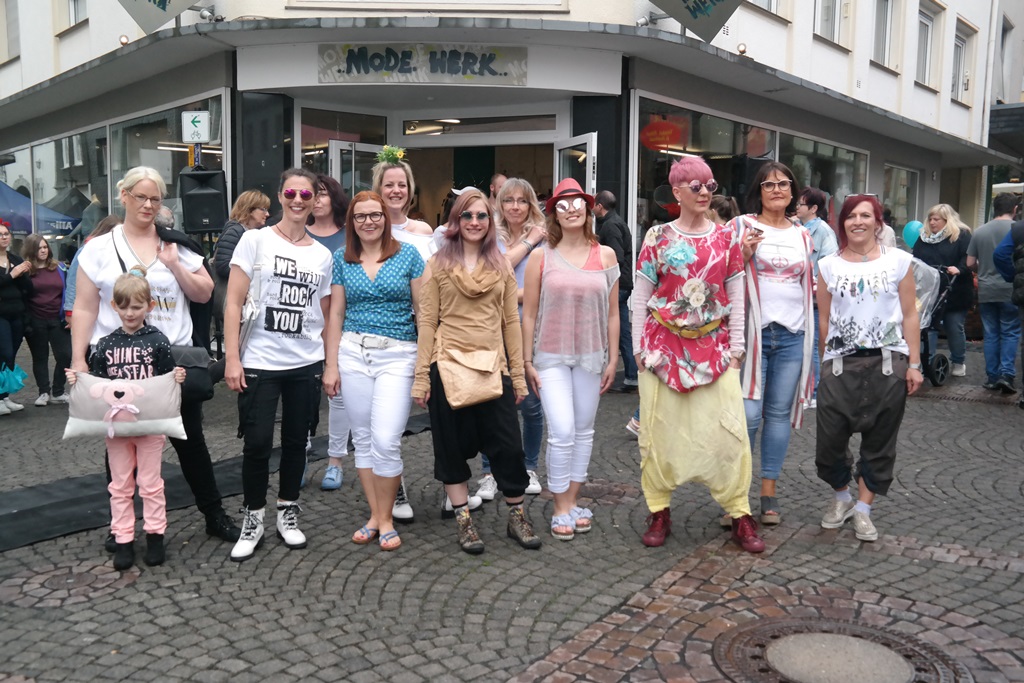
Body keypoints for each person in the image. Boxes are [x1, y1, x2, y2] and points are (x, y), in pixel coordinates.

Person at [71, 166, 241, 547]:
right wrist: (80, 359)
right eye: (141, 197)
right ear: (124, 196)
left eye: (155, 198)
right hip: (118, 364)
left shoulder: (174, 245)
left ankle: (214, 514)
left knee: (190, 441)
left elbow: (204, 293)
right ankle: (122, 527)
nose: (148, 205)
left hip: (171, 362)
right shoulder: (98, 249)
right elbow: (83, 308)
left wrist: (175, 265)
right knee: (120, 444)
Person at [632, 156, 764, 553]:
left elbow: (736, 294)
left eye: (710, 185)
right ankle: (659, 510)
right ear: (676, 192)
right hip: (662, 349)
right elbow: (641, 295)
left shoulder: (726, 238)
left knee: (729, 434)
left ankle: (740, 513)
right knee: (659, 434)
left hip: (715, 350)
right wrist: (640, 347)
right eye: (696, 186)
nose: (705, 192)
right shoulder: (657, 237)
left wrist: (737, 347)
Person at [412, 188, 542, 555]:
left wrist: (517, 375)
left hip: (493, 366)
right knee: (450, 448)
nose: (473, 222)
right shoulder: (437, 264)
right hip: (447, 365)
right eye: (466, 216)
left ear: (490, 223)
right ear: (455, 220)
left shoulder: (501, 265)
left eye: (481, 216)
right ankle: (464, 519)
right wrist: (422, 377)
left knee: (509, 446)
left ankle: (517, 516)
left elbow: (510, 324)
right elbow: (427, 322)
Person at [223, 168, 333, 562]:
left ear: (317, 199)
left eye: (307, 194)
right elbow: (233, 301)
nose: (298, 200)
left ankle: (288, 511)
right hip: (259, 360)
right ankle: (253, 517)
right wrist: (232, 357)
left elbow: (325, 313)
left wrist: (330, 363)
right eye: (291, 192)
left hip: (305, 360)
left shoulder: (322, 255)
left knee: (295, 443)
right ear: (281, 195)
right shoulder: (254, 241)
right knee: (255, 444)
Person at [816, 195, 923, 542]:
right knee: (830, 442)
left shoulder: (899, 262)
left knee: (879, 441)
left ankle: (863, 510)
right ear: (842, 222)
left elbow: (910, 313)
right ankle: (841, 498)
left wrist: (915, 363)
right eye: (851, 216)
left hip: (888, 362)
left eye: (866, 215)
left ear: (878, 222)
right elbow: (823, 318)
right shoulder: (828, 266)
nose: (858, 221)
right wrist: (823, 360)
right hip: (840, 363)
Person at [323, 191, 425, 551]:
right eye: (361, 216)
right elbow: (335, 314)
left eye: (375, 215)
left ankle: (383, 517)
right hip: (352, 353)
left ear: (386, 217)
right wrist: (331, 365)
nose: (369, 221)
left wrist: (424, 367)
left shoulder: (409, 255)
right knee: (363, 439)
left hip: (398, 354)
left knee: (386, 439)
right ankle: (378, 516)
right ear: (351, 222)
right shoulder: (342, 259)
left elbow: (424, 312)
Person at [67, 267, 186, 569]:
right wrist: (78, 381)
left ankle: (155, 534)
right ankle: (123, 538)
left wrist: (177, 377)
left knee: (150, 483)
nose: (130, 313)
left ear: (149, 306)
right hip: (116, 428)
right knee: (119, 484)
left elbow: (165, 379)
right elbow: (97, 382)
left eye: (136, 306)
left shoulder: (158, 340)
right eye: (124, 307)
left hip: (149, 427)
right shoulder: (105, 343)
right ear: (114, 306)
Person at [522, 178, 619, 540]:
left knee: (583, 432)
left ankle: (573, 499)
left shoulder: (605, 255)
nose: (572, 209)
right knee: (561, 431)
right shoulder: (540, 256)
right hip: (549, 356)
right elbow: (528, 312)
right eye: (563, 204)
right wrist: (527, 360)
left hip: (591, 357)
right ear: (554, 214)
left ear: (589, 208)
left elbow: (613, 313)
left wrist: (612, 360)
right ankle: (560, 505)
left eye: (578, 202)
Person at [727, 161, 814, 528]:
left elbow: (808, 287)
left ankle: (768, 492)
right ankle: (735, 495)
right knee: (747, 416)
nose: (777, 189)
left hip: (793, 335)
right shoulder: (741, 226)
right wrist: (742, 254)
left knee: (777, 415)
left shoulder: (804, 235)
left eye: (784, 183)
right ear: (758, 191)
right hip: (752, 335)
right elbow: (723, 274)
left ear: (794, 192)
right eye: (769, 184)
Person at [475, 178, 547, 502]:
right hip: (493, 329)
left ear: (531, 204)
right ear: (499, 204)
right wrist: (528, 246)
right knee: (491, 402)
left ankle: (529, 466)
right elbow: (493, 276)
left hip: (530, 331)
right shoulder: (490, 237)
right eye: (509, 200)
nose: (515, 206)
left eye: (522, 200)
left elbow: (545, 290)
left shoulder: (547, 241)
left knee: (531, 404)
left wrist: (514, 294)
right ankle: (490, 472)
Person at [307, 175, 352, 491]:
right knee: (304, 396)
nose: (317, 199)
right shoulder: (298, 234)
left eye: (322, 194)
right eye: (313, 194)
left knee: (338, 396)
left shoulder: (349, 236)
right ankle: (301, 454)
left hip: (342, 324)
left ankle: (336, 460)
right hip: (304, 326)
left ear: (334, 198)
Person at [967, 193, 1020, 394]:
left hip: (987, 289)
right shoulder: (1017, 230)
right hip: (1011, 289)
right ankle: (1006, 374)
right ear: (1014, 209)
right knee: (1010, 332)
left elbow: (970, 263)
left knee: (991, 334)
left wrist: (984, 268)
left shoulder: (980, 231)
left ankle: (992, 376)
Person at [912, 204, 973, 378]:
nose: (932, 222)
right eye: (930, 219)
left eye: (936, 219)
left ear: (947, 220)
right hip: (930, 290)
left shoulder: (961, 236)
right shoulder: (924, 237)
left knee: (953, 326)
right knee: (927, 326)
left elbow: (968, 258)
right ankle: (926, 361)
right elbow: (916, 258)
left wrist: (959, 269)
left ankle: (958, 361)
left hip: (956, 289)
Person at [796, 187, 839, 407]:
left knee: (812, 345)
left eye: (801, 204)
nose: (796, 206)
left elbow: (830, 265)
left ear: (813, 208)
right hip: (796, 297)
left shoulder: (823, 231)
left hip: (813, 298)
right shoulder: (796, 227)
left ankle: (813, 392)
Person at [21, 234, 72, 406]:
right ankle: (44, 392)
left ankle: (58, 391)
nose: (43, 250)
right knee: (40, 357)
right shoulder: (26, 271)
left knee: (65, 355)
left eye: (45, 247)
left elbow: (68, 290)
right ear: (31, 250)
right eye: (39, 248)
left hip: (57, 318)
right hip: (36, 319)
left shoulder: (59, 267)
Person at [594, 190, 637, 391]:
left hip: (617, 284)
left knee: (615, 330)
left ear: (600, 206)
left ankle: (628, 375)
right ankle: (631, 375)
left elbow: (616, 257)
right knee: (621, 331)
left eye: (593, 205)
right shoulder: (614, 222)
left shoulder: (610, 226)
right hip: (622, 283)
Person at [213, 191, 271, 319]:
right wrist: (253, 275)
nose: (267, 214)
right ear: (249, 209)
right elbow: (222, 265)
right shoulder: (235, 231)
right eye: (263, 209)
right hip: (232, 298)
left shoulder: (252, 233)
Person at [65, 215, 122, 325]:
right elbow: (72, 281)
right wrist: (70, 311)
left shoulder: (121, 251)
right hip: (90, 307)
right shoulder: (87, 249)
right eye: (113, 232)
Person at [0, 220, 31, 416]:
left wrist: (25, 273)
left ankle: (5, 396)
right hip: (1, 314)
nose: (3, 237)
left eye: (6, 234)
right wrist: (13, 275)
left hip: (17, 312)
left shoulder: (15, 258)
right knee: (4, 352)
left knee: (11, 355)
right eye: (0, 234)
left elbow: (27, 288)